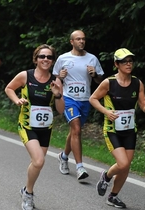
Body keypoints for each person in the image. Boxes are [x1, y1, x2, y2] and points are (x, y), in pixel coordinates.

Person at [5, 44, 64, 210]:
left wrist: (58, 94)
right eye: (42, 57)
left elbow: (60, 110)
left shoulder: (56, 80)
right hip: (27, 125)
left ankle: (26, 189)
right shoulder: (26, 75)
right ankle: (28, 194)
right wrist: (17, 100)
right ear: (36, 59)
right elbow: (9, 88)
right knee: (39, 160)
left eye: (49, 57)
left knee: (37, 163)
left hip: (45, 127)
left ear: (53, 61)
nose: (46, 60)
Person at [89, 48, 145, 208]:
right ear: (117, 64)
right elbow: (93, 98)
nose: (128, 64)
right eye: (124, 61)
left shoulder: (137, 83)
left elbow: (143, 105)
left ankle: (113, 196)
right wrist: (106, 111)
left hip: (130, 130)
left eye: (130, 61)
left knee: (126, 167)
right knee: (122, 163)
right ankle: (106, 177)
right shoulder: (109, 83)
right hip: (112, 130)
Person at [53, 30, 104, 180]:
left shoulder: (92, 59)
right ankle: (80, 167)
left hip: (85, 99)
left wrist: (95, 75)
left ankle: (63, 156)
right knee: (76, 128)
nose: (81, 41)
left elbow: (101, 82)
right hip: (69, 98)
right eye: (78, 39)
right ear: (72, 42)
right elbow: (54, 80)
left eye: (83, 39)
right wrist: (59, 78)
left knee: (75, 131)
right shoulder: (63, 58)